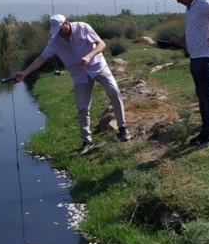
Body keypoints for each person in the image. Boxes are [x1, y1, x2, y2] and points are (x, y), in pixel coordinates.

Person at [13, 14, 131, 155]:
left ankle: (122, 128)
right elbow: (41, 58)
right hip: (79, 75)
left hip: (97, 66)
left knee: (114, 92)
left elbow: (101, 44)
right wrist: (24, 73)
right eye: (56, 31)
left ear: (67, 23)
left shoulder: (83, 27)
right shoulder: (54, 41)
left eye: (60, 29)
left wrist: (89, 56)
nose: (59, 34)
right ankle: (87, 141)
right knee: (82, 108)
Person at [169, 0, 209, 149]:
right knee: (201, 97)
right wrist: (177, 41)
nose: (177, 1)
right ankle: (205, 132)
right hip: (196, 57)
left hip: (208, 57)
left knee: (208, 97)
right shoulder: (190, 7)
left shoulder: (201, 1)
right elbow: (193, 31)